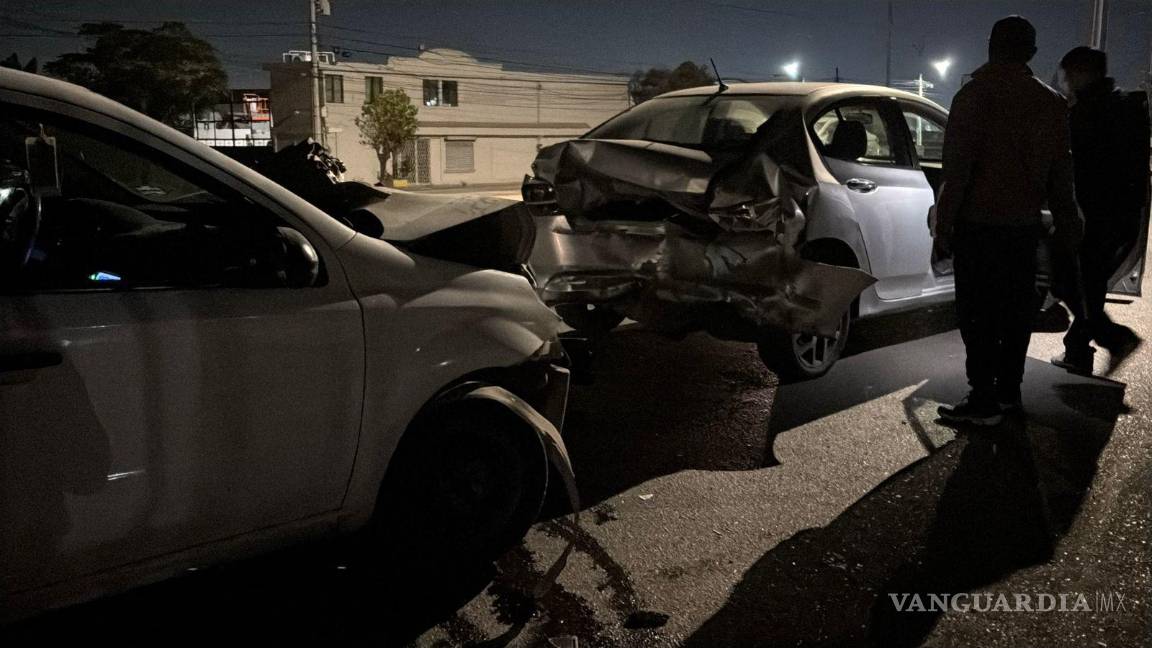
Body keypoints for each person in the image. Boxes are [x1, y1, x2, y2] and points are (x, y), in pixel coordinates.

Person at [933, 16, 1083, 426]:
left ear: (991, 46)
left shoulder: (973, 96)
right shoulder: (1051, 104)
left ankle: (982, 398)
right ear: (1031, 53)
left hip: (978, 227)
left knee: (977, 315)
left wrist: (943, 226)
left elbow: (956, 172)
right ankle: (1008, 395)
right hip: (1023, 229)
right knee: (1016, 315)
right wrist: (1068, 221)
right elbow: (1061, 174)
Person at [1050, 46, 1150, 375]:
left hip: (1094, 218)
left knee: (1067, 280)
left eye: (1067, 76)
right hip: (1123, 217)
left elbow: (1074, 168)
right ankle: (1078, 350)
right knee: (1089, 287)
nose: (1064, 83)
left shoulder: (1089, 112)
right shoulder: (1127, 106)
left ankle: (1115, 339)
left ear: (1082, 73)